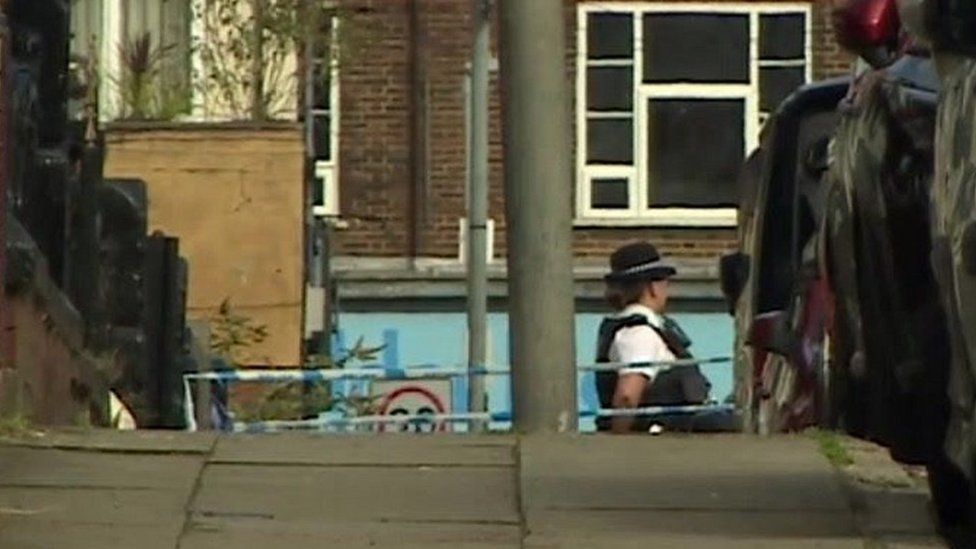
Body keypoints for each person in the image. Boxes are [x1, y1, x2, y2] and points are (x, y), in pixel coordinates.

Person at [595, 242, 711, 434]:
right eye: (665, 282)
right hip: (656, 445)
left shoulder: (646, 329)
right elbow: (627, 397)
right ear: (652, 287)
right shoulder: (639, 333)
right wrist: (617, 447)